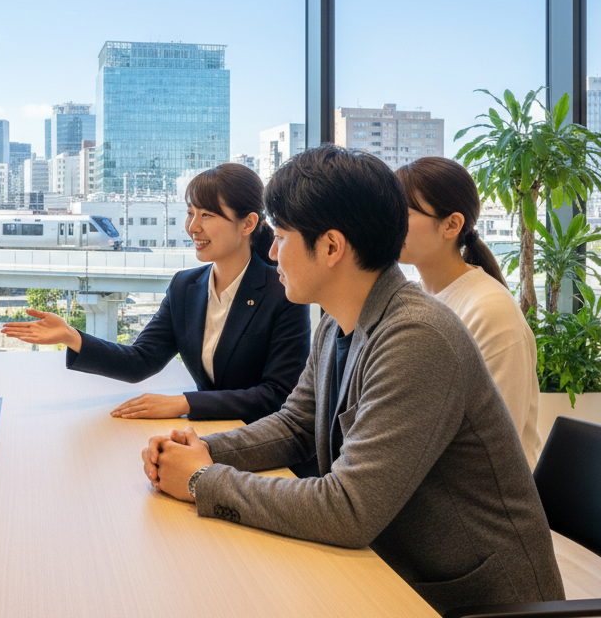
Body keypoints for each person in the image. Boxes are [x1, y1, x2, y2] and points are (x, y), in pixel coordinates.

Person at [141, 147, 564, 616]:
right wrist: (202, 450)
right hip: (393, 569)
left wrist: (202, 480)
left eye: (280, 237)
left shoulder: (417, 337)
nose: (272, 253)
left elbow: (348, 508)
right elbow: (296, 425)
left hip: (471, 599)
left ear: (331, 247)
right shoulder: (337, 320)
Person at [0, 162, 310, 424]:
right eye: (190, 213)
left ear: (248, 224)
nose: (193, 227)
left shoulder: (283, 293)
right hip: (208, 436)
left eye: (207, 215)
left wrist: (184, 403)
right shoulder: (185, 287)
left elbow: (277, 395)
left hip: (264, 445)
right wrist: (71, 336)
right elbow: (140, 360)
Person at [396, 156, 541, 468]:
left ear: (451, 225)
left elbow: (498, 446)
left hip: (483, 492)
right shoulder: (414, 298)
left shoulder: (491, 312)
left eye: (402, 214)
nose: (388, 224)